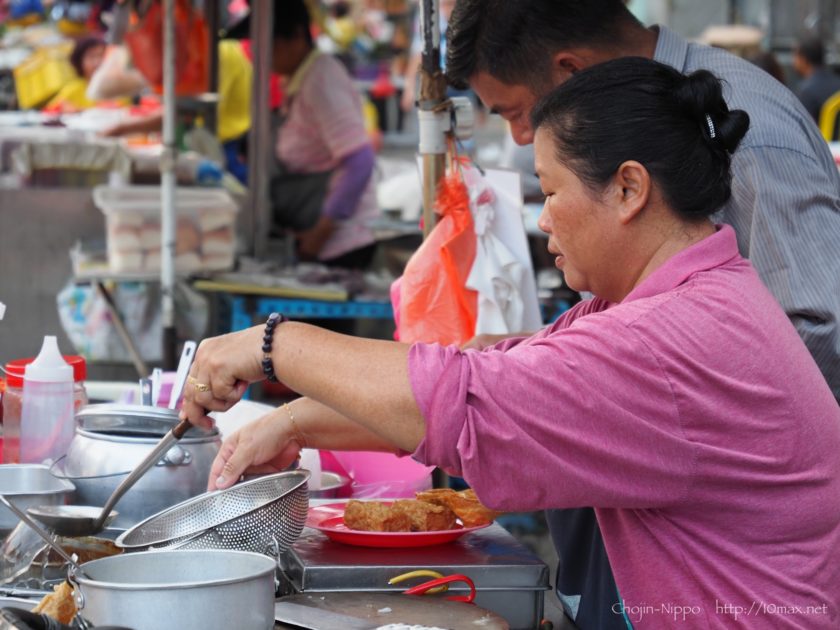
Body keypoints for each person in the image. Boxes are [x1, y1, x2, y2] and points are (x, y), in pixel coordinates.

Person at [180, 58, 840, 629]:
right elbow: (495, 370)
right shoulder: (679, 297)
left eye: (551, 192)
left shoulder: (674, 340)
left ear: (630, 188)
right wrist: (295, 419)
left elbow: (467, 402)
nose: (544, 218)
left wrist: (274, 346)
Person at [448, 1, 840, 627]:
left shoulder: (754, 136)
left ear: (571, 72)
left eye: (517, 112)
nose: (521, 138)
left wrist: (653, 403)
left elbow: (817, 327)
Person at [241, 0, 378, 267]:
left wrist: (320, 233)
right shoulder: (299, 78)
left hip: (341, 243)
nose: (260, 55)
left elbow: (359, 161)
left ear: (296, 37)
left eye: (269, 44)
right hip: (315, 233)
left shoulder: (321, 81)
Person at [101, 39, 252, 184]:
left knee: (232, 194)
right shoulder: (200, 53)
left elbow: (182, 112)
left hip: (225, 145)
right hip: (207, 140)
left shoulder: (216, 56)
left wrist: (121, 129)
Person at [46, 36, 110, 111]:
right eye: (91, 57)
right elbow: (48, 112)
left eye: (101, 56)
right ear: (79, 62)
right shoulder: (72, 89)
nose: (97, 62)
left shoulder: (117, 88)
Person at [792, 34, 840, 123]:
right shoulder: (838, 83)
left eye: (795, 56)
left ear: (803, 60)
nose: (793, 61)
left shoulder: (806, 92)